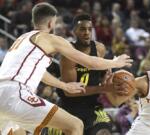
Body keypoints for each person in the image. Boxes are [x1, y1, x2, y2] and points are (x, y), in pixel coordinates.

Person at [0, 2, 133, 135]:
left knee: (18, 132)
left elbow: (41, 73)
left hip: (3, 93)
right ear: (51, 23)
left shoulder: (22, 39)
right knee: (75, 125)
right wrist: (115, 62)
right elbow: (89, 62)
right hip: (15, 93)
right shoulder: (49, 39)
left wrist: (63, 85)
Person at [55, 14, 113, 135]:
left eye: (89, 29)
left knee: (104, 131)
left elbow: (102, 75)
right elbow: (70, 92)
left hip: (92, 105)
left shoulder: (99, 49)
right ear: (74, 31)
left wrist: (106, 78)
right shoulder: (68, 54)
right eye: (82, 29)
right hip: (69, 106)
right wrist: (102, 88)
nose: (87, 32)